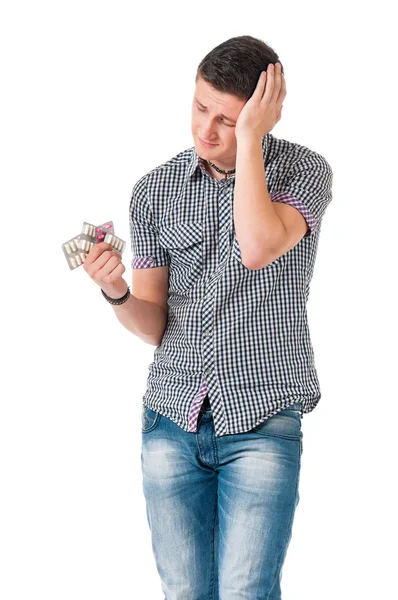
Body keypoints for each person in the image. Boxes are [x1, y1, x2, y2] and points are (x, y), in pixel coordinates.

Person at [84, 34, 333, 600]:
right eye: (200, 107)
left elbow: (258, 245)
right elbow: (153, 324)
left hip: (263, 421)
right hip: (171, 421)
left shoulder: (304, 173)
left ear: (263, 114)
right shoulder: (154, 191)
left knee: (247, 591)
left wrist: (250, 143)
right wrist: (117, 290)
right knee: (185, 594)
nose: (205, 131)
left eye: (228, 118)